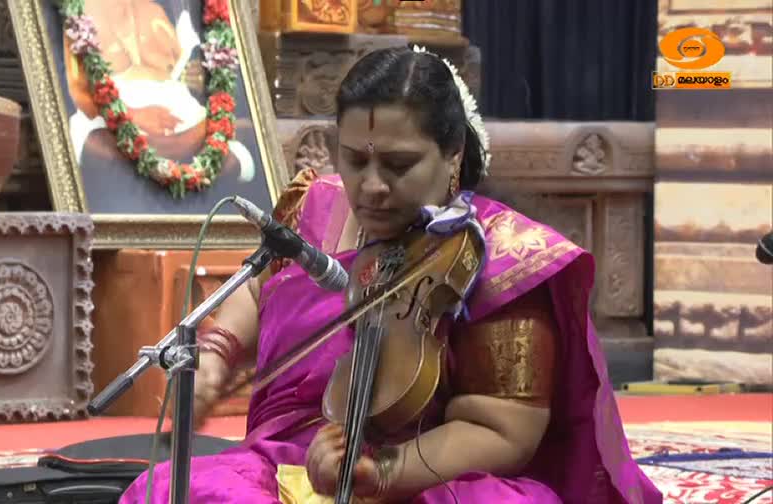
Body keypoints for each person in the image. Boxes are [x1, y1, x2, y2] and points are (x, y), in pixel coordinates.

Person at [119, 46, 662, 503]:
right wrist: (215, 352)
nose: (372, 186)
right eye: (355, 160)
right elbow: (262, 287)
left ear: (453, 155)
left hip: (428, 475)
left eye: (399, 166)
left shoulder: (504, 255)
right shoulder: (319, 204)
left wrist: (380, 474)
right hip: (289, 462)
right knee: (167, 490)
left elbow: (504, 429)